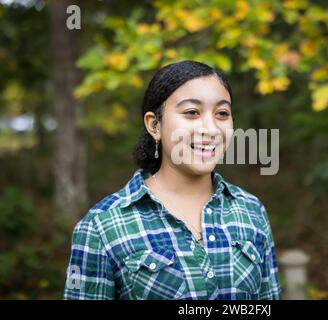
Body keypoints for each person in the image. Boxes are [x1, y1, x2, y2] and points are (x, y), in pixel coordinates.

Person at [64, 60, 281, 300]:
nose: (210, 129)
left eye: (222, 113)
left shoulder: (251, 211)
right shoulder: (102, 225)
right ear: (154, 125)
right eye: (191, 113)